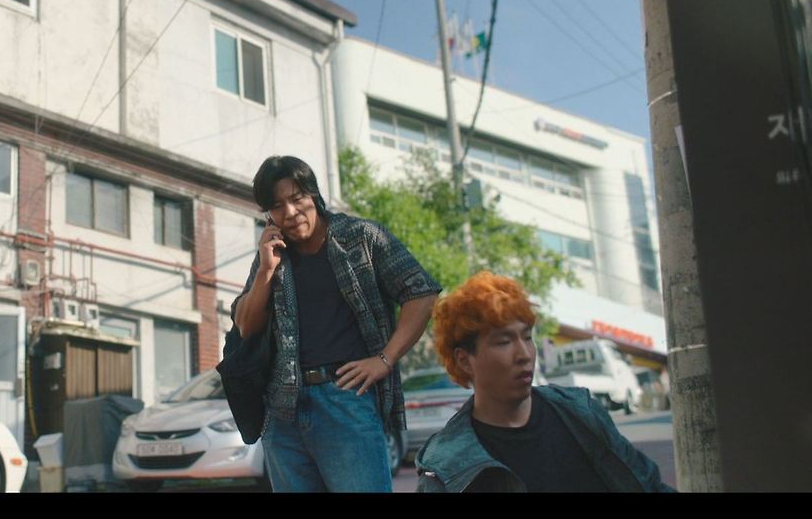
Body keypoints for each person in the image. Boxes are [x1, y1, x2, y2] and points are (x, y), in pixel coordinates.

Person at [229, 155, 441, 492]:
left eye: (297, 198)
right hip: (282, 409)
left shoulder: (362, 237)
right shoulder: (272, 254)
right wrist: (266, 271)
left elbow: (422, 293)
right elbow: (245, 326)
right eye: (277, 206)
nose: (290, 212)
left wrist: (384, 359)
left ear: (313, 194)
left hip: (345, 398)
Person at [415, 271, 675, 493]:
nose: (524, 354)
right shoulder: (445, 464)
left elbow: (648, 485)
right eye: (504, 342)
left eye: (527, 337)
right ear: (464, 360)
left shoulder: (580, 411)